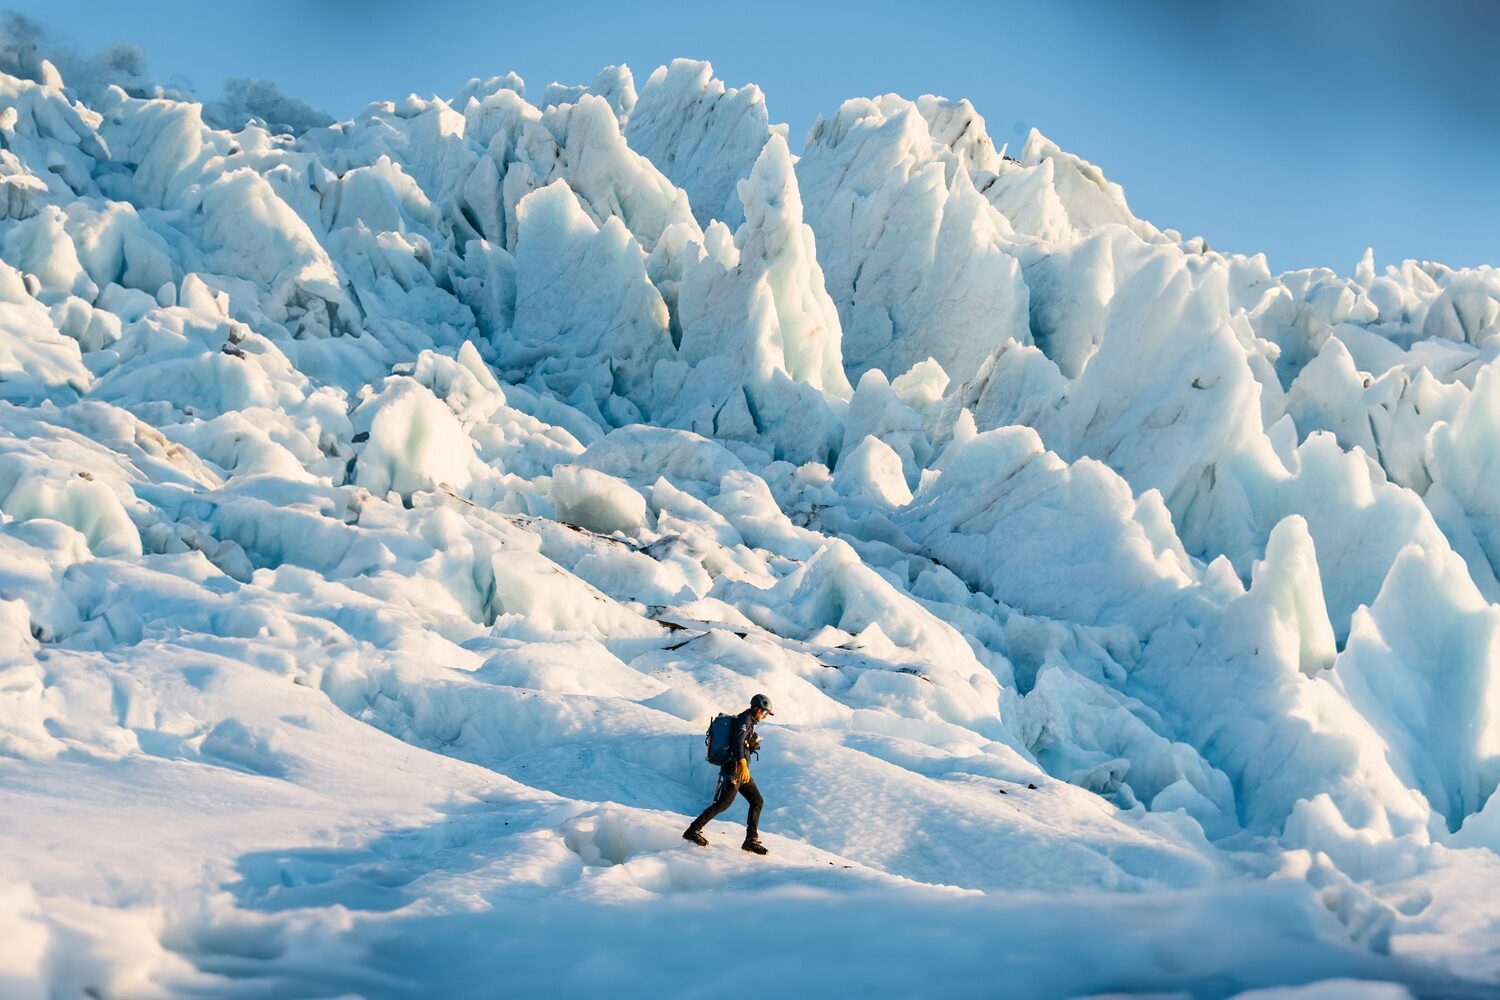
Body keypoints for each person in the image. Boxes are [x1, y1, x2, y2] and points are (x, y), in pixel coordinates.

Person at [683, 693, 774, 854]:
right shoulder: (744, 720)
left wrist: (750, 746)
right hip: (735, 768)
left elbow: (742, 742)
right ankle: (692, 830)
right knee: (723, 804)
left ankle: (750, 841)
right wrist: (743, 762)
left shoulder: (749, 722)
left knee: (757, 801)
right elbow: (737, 742)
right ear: (756, 708)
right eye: (765, 712)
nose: (765, 716)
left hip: (740, 769)